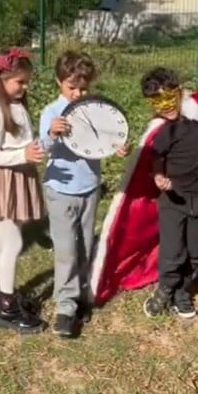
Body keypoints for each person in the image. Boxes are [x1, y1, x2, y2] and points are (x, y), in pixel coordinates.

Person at [39, 51, 126, 338]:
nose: (77, 93)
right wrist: (51, 134)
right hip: (60, 192)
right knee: (65, 250)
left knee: (85, 245)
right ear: (58, 82)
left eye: (83, 88)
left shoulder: (94, 109)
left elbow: (103, 138)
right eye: (71, 87)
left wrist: (116, 145)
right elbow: (41, 150)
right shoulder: (51, 113)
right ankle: (65, 307)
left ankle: (82, 296)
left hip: (89, 188)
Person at [0, 48, 46, 333]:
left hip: (19, 175)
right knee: (13, 241)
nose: (25, 87)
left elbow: (22, 140)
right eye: (20, 82)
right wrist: (23, 156)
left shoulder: (17, 105)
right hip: (6, 179)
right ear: (2, 79)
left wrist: (37, 145)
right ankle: (7, 306)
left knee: (2, 237)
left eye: (27, 81)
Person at [140, 67, 198, 320]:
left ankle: (183, 291)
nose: (165, 106)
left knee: (196, 253)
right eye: (157, 102)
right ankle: (165, 289)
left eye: (169, 98)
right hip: (172, 201)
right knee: (172, 253)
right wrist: (159, 177)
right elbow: (157, 158)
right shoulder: (164, 131)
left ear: (179, 92)